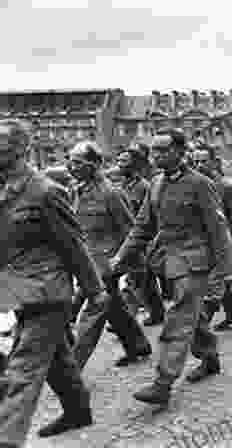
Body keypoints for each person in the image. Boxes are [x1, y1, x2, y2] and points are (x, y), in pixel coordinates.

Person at [111, 128, 232, 405]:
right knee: (192, 313)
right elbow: (142, 226)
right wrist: (120, 256)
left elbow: (218, 227)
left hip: (195, 262)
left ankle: (163, 382)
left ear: (181, 152)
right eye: (154, 150)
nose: (156, 155)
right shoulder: (156, 183)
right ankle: (209, 356)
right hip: (167, 261)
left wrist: (227, 267)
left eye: (163, 150)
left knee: (178, 317)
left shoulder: (199, 183)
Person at [0, 120, 105, 443]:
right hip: (17, 290)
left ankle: (7, 437)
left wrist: (95, 290)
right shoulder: (4, 189)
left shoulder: (45, 192)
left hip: (48, 292)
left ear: (21, 149)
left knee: (23, 370)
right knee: (58, 359)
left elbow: (72, 245)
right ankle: (77, 411)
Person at [67, 141, 152, 369]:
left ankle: (73, 366)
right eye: (70, 161)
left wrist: (133, 265)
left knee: (92, 314)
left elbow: (130, 230)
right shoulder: (76, 190)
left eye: (78, 162)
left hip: (106, 265)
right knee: (115, 308)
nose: (71, 167)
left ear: (95, 164)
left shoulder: (112, 193)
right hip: (86, 261)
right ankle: (138, 345)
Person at [192, 145, 232, 332]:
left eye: (203, 161)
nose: (199, 165)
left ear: (214, 163)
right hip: (203, 241)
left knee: (215, 282)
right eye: (196, 161)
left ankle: (202, 323)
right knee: (224, 281)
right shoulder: (194, 185)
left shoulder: (225, 187)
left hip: (223, 240)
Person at [116, 142, 166, 326]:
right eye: (119, 161)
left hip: (144, 240)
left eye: (124, 162)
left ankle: (127, 319)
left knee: (137, 280)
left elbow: (151, 217)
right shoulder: (123, 186)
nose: (120, 165)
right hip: (130, 238)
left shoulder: (144, 187)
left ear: (136, 165)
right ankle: (156, 312)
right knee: (143, 280)